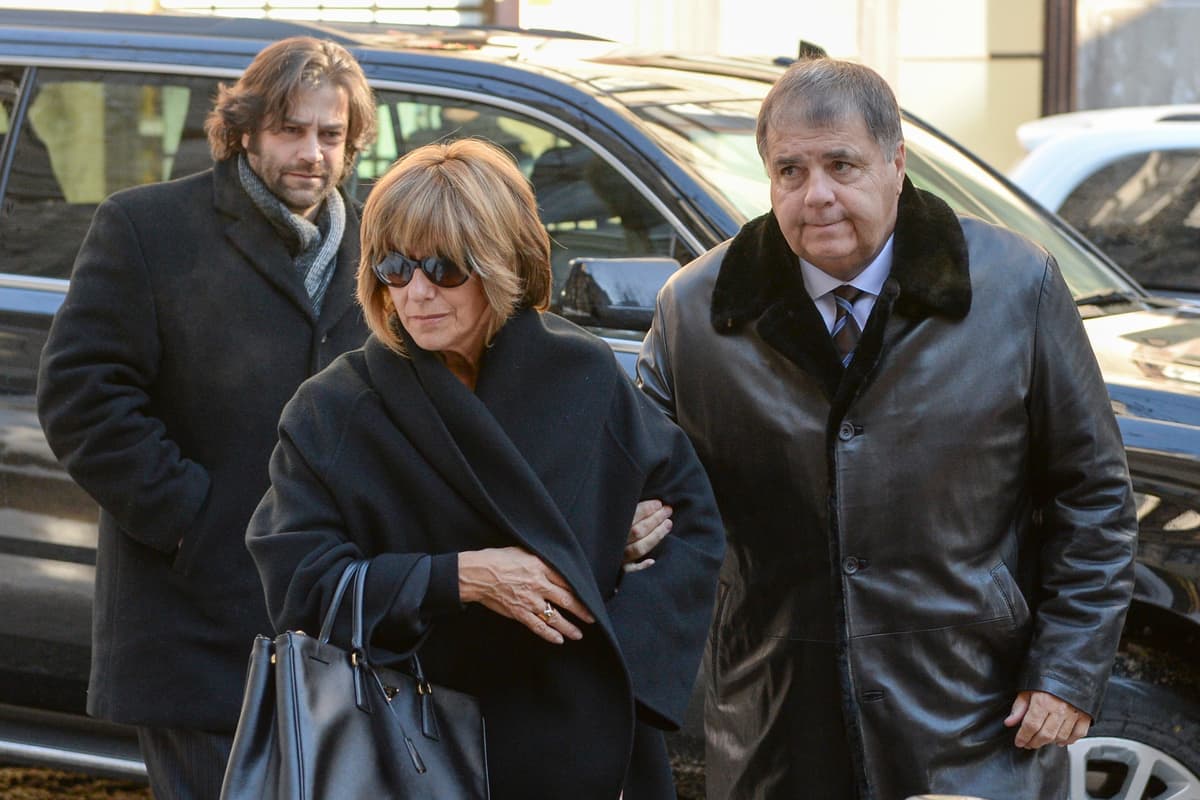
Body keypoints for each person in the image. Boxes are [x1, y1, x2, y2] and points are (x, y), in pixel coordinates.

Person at [636, 57, 1138, 800]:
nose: (817, 195)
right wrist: (631, 523)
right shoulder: (694, 312)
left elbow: (1093, 494)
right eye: (790, 171)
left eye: (842, 165)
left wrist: (1066, 670)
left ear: (897, 164)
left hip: (971, 719)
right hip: (775, 726)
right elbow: (638, 484)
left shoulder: (1014, 287)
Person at [245, 138, 725, 799]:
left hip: (578, 743)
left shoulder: (583, 373)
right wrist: (461, 577)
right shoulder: (335, 407)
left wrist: (614, 675)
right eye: (394, 267)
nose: (416, 293)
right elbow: (299, 584)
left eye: (444, 268)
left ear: (505, 263)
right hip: (415, 744)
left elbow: (691, 524)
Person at [34, 37, 378, 799]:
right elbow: (81, 395)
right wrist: (193, 519)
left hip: (338, 625)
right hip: (194, 622)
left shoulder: (380, 247)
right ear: (246, 130)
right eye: (291, 129)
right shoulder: (148, 226)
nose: (312, 153)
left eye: (330, 134)